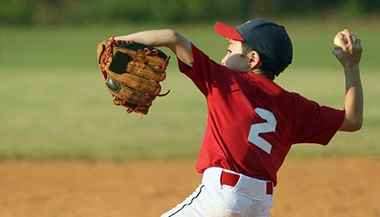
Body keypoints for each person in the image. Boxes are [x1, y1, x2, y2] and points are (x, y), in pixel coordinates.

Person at [114, 18, 363, 217]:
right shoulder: (294, 106)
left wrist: (117, 42)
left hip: (221, 197)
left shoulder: (225, 81)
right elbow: (353, 120)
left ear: (252, 59)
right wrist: (351, 65)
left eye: (230, 49)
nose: (224, 58)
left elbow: (171, 37)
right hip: (260, 205)